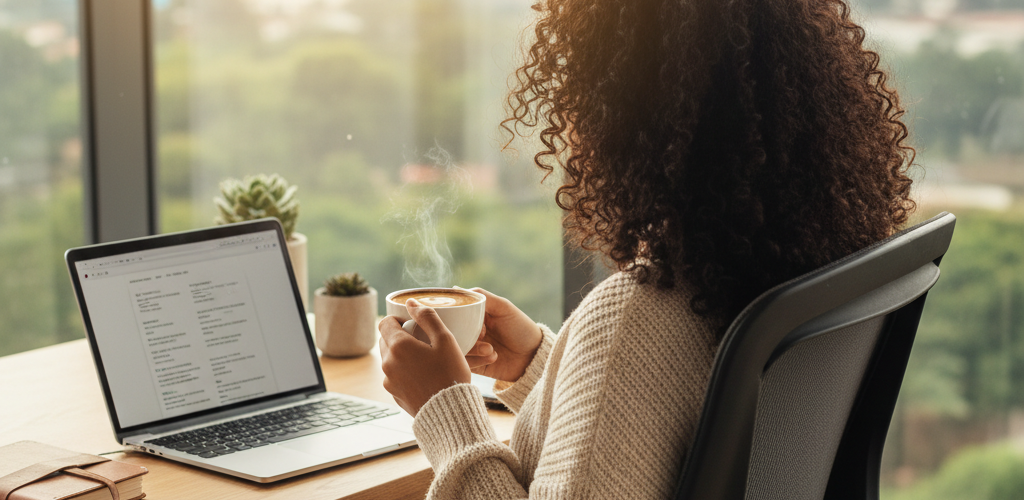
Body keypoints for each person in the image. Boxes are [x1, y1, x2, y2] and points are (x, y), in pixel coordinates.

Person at [377, 0, 916, 498]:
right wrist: (545, 365)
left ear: (628, 110)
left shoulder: (635, 317)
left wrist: (445, 409)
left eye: (578, 84)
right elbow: (680, 429)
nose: (567, 117)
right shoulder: (788, 273)